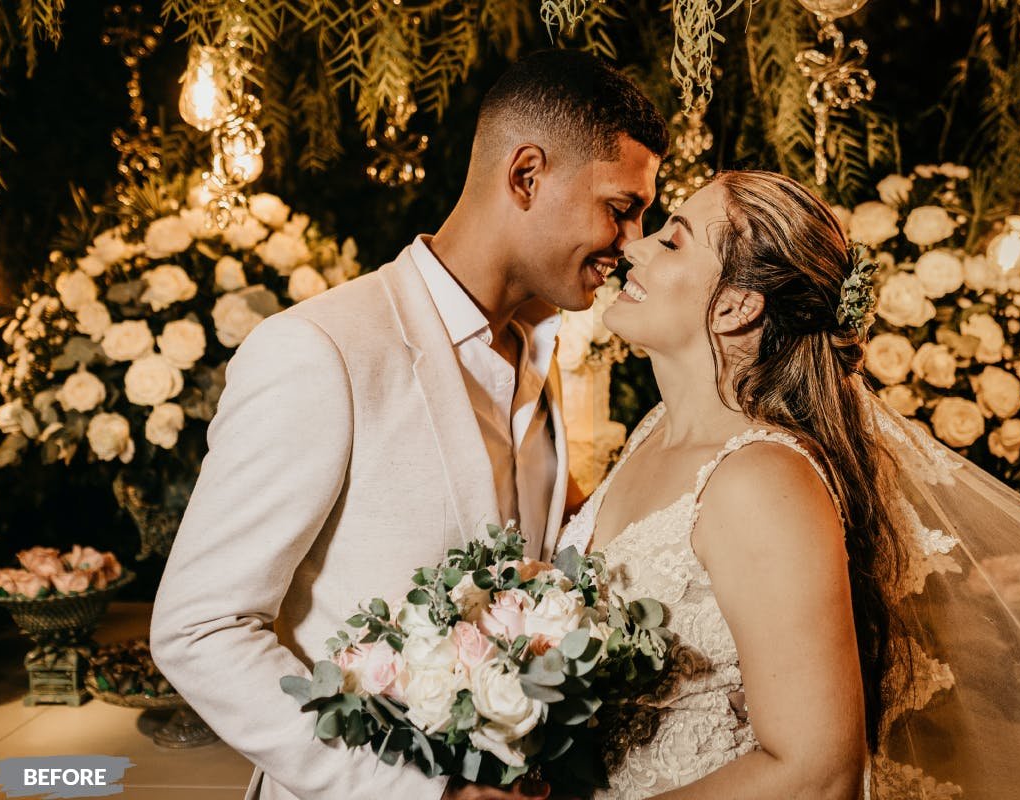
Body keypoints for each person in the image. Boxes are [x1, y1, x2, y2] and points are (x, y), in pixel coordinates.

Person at [558, 170, 1020, 799]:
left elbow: (816, 776)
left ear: (736, 306)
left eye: (672, 240)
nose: (634, 247)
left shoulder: (760, 482)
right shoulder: (653, 430)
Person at [150, 49, 667, 800]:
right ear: (526, 176)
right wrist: (423, 794)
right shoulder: (321, 350)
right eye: (621, 208)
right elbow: (199, 629)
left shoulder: (541, 354)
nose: (634, 240)